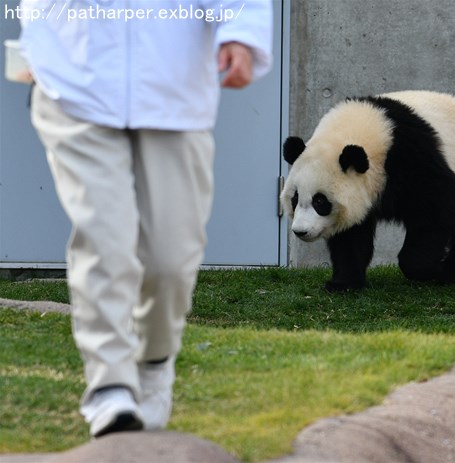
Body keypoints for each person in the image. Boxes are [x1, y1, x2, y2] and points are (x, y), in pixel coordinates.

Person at [19, 0, 273, 438]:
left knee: (170, 261)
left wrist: (242, 34)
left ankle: (154, 362)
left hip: (174, 90)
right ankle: (110, 387)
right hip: (75, 82)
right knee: (104, 240)